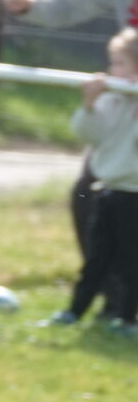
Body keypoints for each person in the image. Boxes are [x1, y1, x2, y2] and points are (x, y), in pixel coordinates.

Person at [4, 0, 138, 325]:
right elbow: (71, 1)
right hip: (126, 114)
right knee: (89, 197)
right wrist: (29, 4)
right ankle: (116, 308)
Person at [62, 29, 138, 333]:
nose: (112, 71)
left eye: (120, 63)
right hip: (108, 190)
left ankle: (127, 318)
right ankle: (74, 312)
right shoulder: (112, 100)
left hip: (134, 195)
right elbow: (88, 135)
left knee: (131, 261)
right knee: (96, 258)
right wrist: (90, 105)